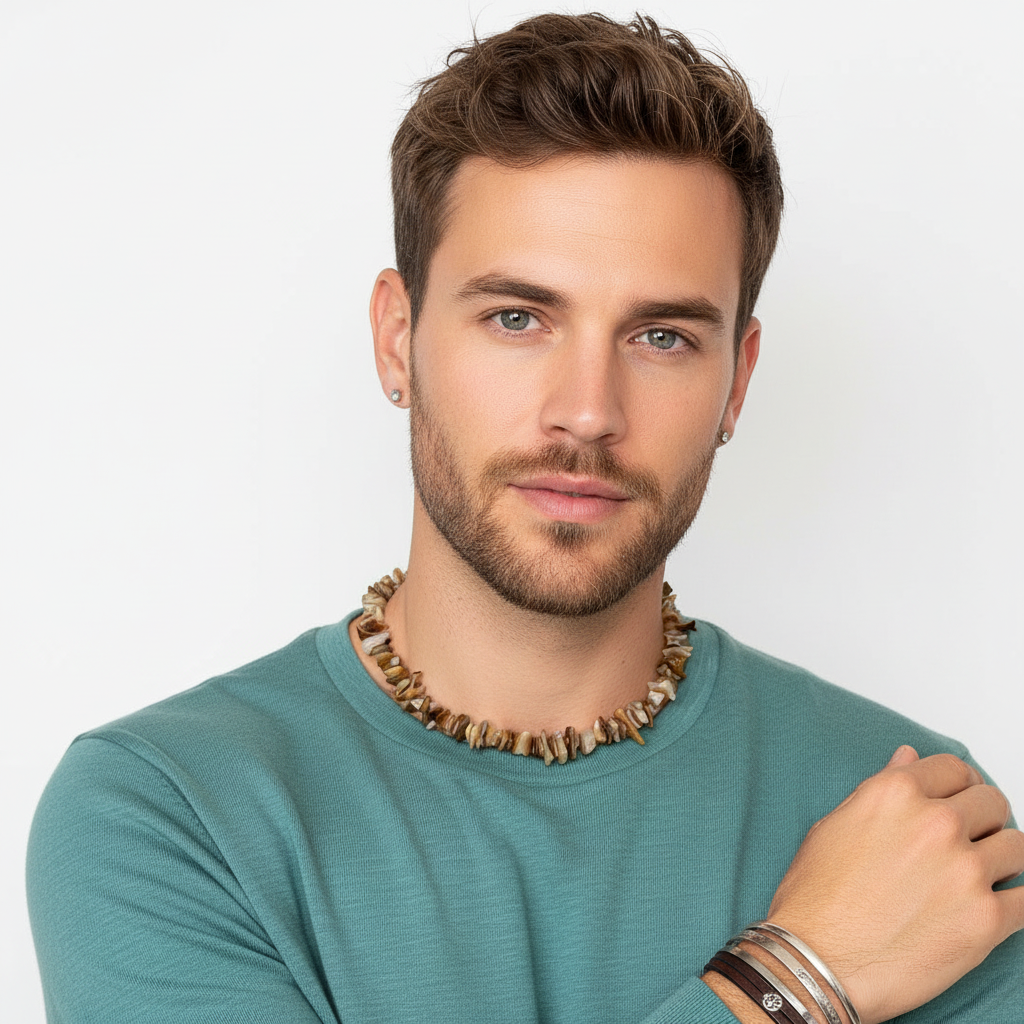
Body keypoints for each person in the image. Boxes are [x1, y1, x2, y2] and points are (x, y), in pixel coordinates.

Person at [26, 12, 1023, 1024]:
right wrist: (797, 974)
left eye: (663, 336)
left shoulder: (909, 822)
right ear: (396, 338)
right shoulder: (170, 812)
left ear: (737, 382)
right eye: (517, 318)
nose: (586, 409)